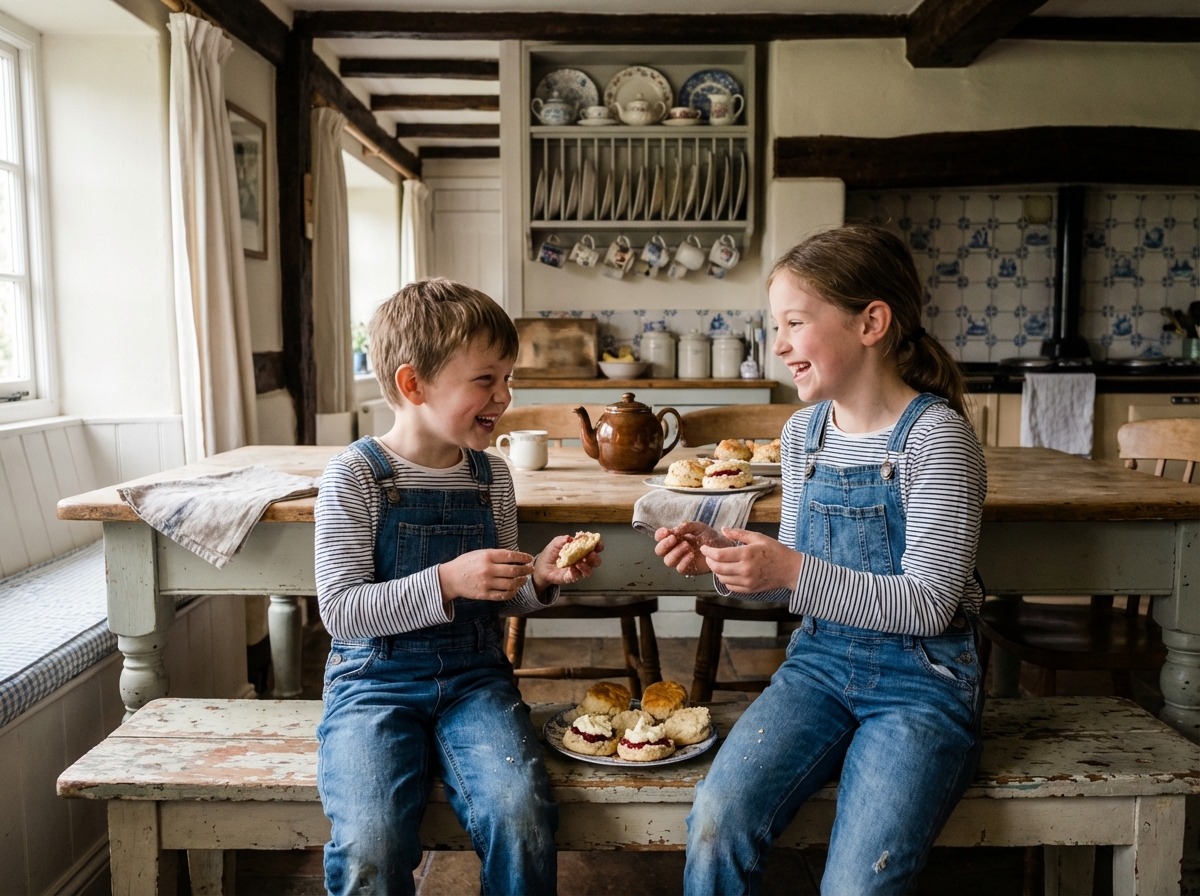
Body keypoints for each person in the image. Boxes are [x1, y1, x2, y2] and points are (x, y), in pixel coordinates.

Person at [655, 224, 987, 895]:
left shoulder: (937, 437)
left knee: (857, 886)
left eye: (795, 322)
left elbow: (930, 602)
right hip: (820, 665)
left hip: (921, 685)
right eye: (776, 326)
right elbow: (802, 576)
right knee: (717, 821)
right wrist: (727, 559)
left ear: (871, 323)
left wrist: (790, 571)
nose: (778, 346)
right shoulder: (803, 433)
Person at [315, 278, 601, 896]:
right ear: (413, 384)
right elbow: (340, 612)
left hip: (475, 680)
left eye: (508, 379)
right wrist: (447, 579)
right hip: (374, 684)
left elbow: (502, 593)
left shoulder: (489, 475)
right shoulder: (357, 475)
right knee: (372, 841)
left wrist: (541, 579)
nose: (504, 396)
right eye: (485, 380)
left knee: (521, 816)